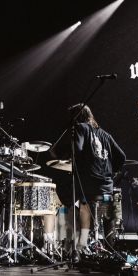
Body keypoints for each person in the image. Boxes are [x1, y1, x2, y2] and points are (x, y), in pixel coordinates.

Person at [54, 103, 125, 253]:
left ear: (76, 117)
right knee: (108, 215)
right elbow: (122, 157)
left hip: (89, 187)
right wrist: (110, 172)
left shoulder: (81, 128)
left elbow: (77, 149)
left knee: (65, 199)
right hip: (106, 188)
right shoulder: (106, 135)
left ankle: (75, 246)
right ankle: (110, 250)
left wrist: (66, 152)